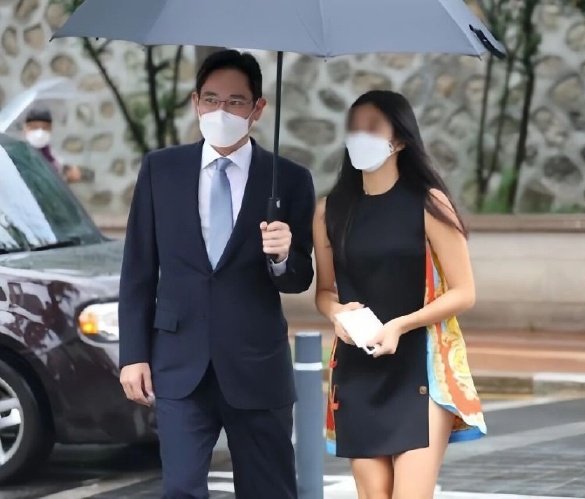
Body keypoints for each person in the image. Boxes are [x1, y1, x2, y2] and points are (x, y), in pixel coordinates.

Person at [118, 49, 315, 499]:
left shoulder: (287, 179)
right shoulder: (161, 170)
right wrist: (133, 355)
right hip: (178, 363)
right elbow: (139, 270)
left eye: (235, 102)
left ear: (258, 109)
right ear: (195, 102)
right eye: (211, 99)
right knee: (181, 489)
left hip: (256, 366)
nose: (220, 111)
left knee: (269, 491)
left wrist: (282, 256)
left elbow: (299, 277)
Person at [314, 90, 488, 499]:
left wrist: (400, 325)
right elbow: (323, 291)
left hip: (419, 366)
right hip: (357, 369)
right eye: (354, 126)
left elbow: (464, 292)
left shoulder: (428, 203)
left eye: (373, 127)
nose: (360, 135)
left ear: (401, 139)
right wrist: (335, 312)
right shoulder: (328, 211)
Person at [23, 108, 82, 183]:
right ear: (25, 128)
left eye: (44, 128)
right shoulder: (18, 152)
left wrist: (68, 174)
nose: (40, 132)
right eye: (35, 127)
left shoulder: (49, 153)